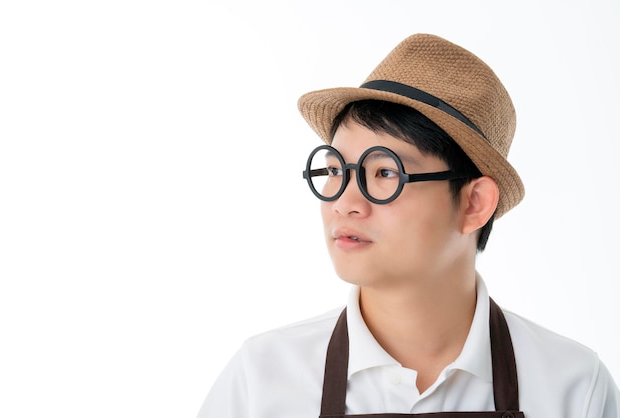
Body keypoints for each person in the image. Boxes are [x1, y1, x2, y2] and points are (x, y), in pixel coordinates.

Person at [197, 33, 620, 417]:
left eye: (384, 173)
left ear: (475, 203)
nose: (345, 203)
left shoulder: (574, 388)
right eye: (336, 171)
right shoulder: (262, 380)